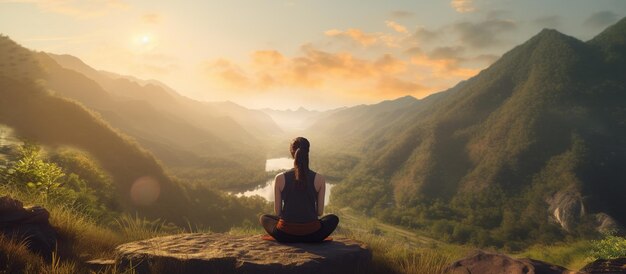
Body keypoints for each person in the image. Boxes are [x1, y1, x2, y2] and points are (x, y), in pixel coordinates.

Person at [259, 137, 339, 243]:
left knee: (264, 218)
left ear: (292, 153)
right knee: (333, 219)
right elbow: (319, 212)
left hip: (285, 234)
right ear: (307, 152)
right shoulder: (320, 179)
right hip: (312, 234)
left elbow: (278, 212)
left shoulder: (279, 178)